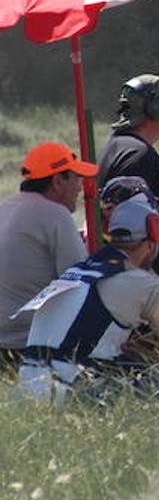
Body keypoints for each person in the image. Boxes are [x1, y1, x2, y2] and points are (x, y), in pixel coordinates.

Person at [15, 197, 159, 404]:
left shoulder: (77, 270)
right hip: (71, 392)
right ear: (153, 238)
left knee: (131, 362)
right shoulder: (142, 283)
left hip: (28, 388)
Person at [0, 143, 98, 375]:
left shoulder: (5, 207)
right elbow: (80, 285)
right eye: (76, 178)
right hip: (27, 342)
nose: (81, 188)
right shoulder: (56, 215)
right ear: (57, 181)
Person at [96, 74, 159, 282]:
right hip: (149, 282)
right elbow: (129, 232)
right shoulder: (137, 155)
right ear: (155, 110)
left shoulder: (121, 146)